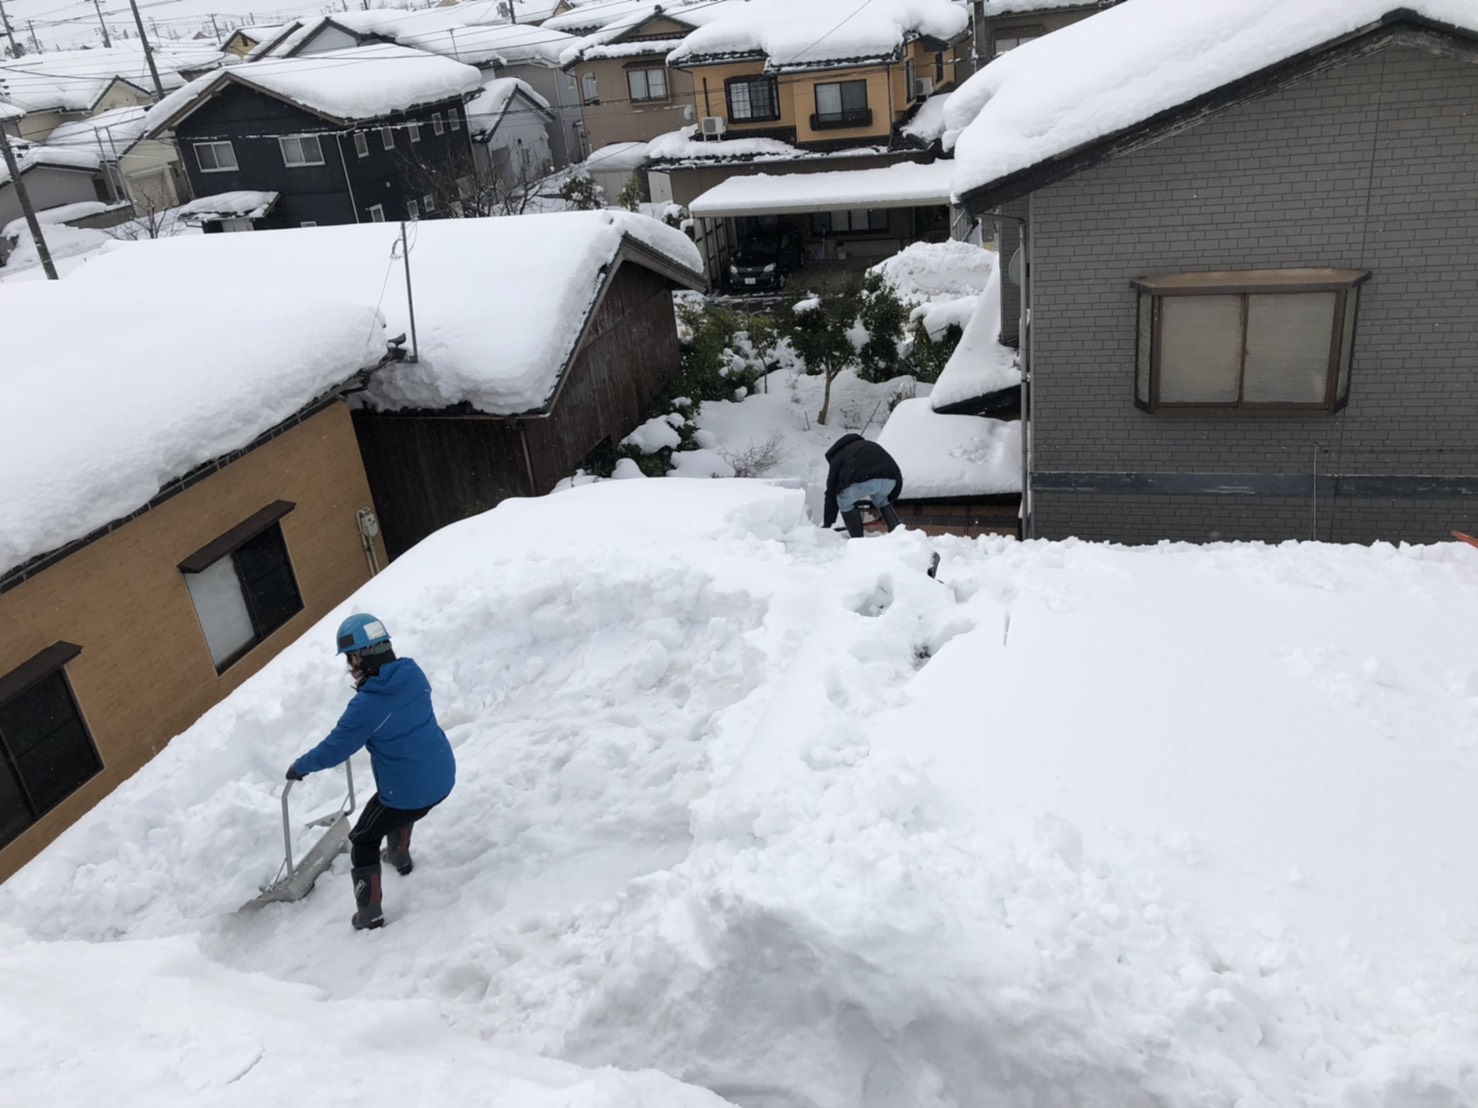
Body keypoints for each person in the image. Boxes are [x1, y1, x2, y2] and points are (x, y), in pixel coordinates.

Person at [287, 613, 455, 931]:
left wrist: (299, 767)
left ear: (361, 657)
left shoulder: (367, 706)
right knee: (389, 802)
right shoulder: (412, 672)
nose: (350, 668)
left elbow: (334, 749)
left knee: (363, 839)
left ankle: (370, 915)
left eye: (350, 660)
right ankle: (399, 855)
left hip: (411, 790)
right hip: (442, 773)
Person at [822, 433, 904, 538]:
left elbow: (831, 492)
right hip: (890, 480)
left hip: (863, 477)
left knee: (843, 501)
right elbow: (895, 471)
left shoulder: (838, 456)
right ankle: (899, 536)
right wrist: (892, 498)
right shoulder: (869, 445)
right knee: (882, 500)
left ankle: (857, 540)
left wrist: (827, 524)